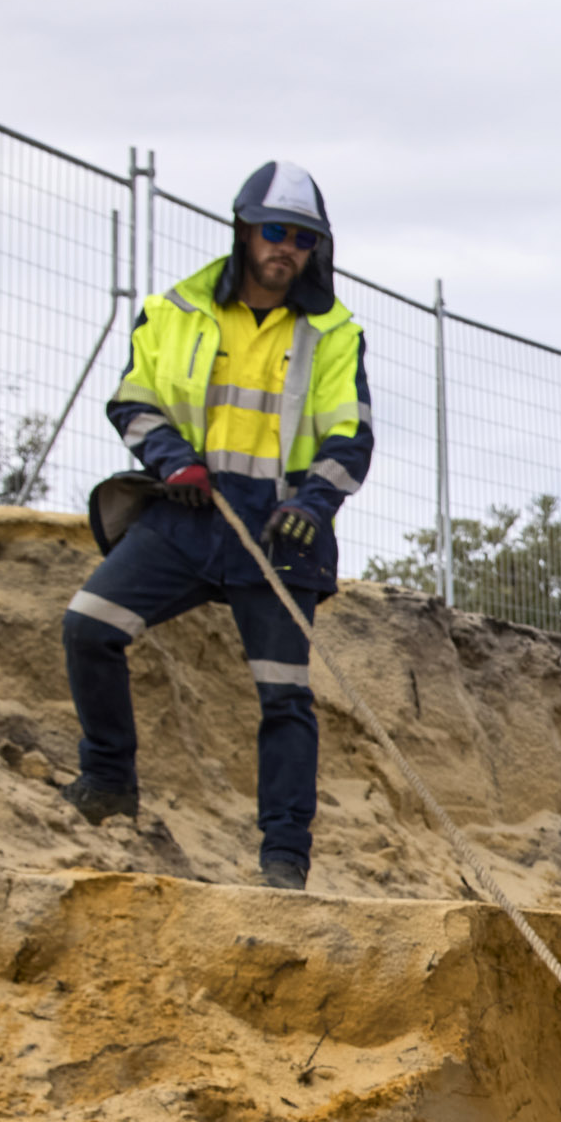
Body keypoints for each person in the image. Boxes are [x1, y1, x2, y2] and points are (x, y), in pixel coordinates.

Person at [60, 161, 374, 890]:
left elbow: (349, 437)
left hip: (280, 534)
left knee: (285, 695)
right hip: (190, 513)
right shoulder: (176, 309)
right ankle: (108, 782)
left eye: (301, 237)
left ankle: (284, 861)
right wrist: (174, 463)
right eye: (274, 231)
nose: (285, 248)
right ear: (243, 230)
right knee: (88, 626)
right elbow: (133, 400)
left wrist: (309, 507)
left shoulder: (333, 332)